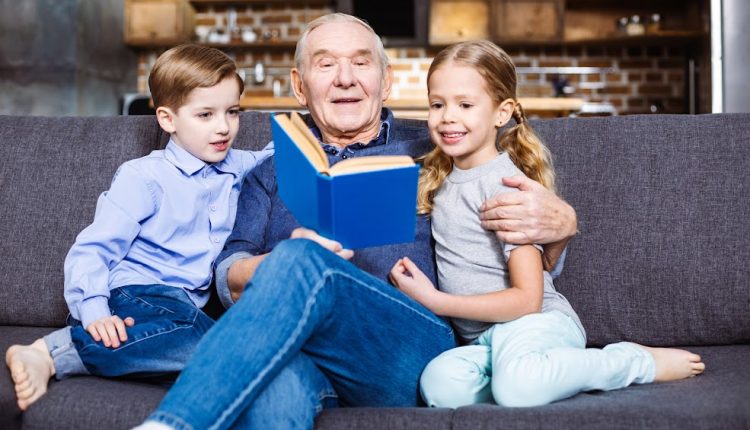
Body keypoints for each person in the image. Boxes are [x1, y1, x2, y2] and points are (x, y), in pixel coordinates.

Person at [135, 14, 577, 430]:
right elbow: (228, 270)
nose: (345, 78)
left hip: (404, 350)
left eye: (361, 63)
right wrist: (281, 266)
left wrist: (563, 226)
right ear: (299, 86)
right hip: (302, 348)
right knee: (278, 385)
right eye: (325, 64)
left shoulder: (441, 149)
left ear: (385, 82)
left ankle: (173, 424)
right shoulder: (269, 171)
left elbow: (508, 219)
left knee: (302, 259)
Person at [389, 40, 705, 409]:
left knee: (517, 388)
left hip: (536, 325)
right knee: (440, 386)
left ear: (501, 112)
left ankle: (631, 361)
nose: (447, 117)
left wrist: (436, 301)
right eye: (437, 104)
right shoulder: (440, 179)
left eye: (465, 105)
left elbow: (528, 300)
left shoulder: (505, 188)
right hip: (485, 342)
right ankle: (529, 376)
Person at [4, 44, 272, 411]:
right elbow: (93, 250)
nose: (224, 127)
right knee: (214, 344)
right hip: (134, 293)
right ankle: (52, 352)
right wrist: (95, 309)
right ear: (167, 119)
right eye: (205, 114)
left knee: (227, 345)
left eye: (233, 112)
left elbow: (280, 154)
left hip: (185, 310)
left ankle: (157, 357)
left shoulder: (239, 166)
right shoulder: (144, 177)